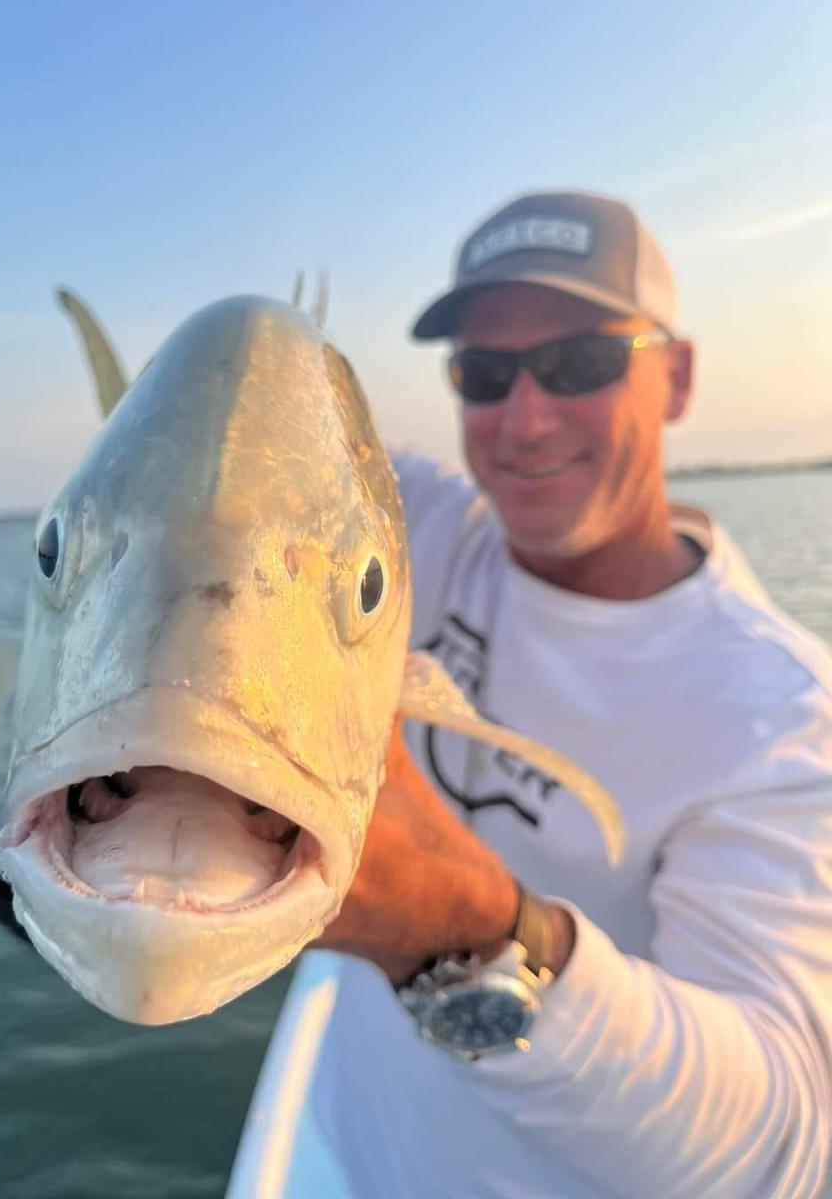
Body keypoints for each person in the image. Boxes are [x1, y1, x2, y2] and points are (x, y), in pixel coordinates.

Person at [310, 190, 832, 1196]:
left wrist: (455, 927)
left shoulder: (784, 718)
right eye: (485, 373)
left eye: (581, 363)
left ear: (675, 377)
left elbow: (783, 1144)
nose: (524, 417)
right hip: (349, 1158)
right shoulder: (423, 521)